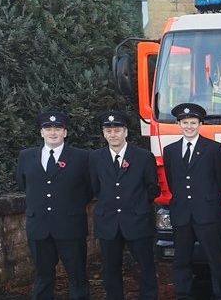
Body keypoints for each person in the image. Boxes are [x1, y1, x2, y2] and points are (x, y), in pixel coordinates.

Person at [17, 111, 92, 300]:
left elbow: (89, 189)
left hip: (70, 227)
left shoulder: (82, 157)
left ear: (65, 132)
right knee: (43, 277)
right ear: (41, 132)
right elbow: (23, 184)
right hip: (39, 227)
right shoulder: (25, 156)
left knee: (77, 277)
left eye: (58, 128)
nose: (53, 132)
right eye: (48, 128)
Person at [162, 103, 221, 300]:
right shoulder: (171, 150)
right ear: (179, 124)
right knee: (181, 260)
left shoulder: (213, 148)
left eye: (193, 122)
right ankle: (183, 294)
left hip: (207, 213)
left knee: (215, 258)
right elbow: (172, 179)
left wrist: (209, 203)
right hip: (182, 213)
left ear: (200, 124)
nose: (189, 126)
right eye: (185, 122)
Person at [88, 111, 159, 300]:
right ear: (103, 133)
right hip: (108, 222)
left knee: (146, 267)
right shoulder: (95, 158)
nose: (113, 134)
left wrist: (138, 205)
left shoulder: (143, 157)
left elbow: (152, 188)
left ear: (125, 132)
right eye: (108, 130)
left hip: (138, 220)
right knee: (110, 269)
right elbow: (95, 187)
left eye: (117, 130)